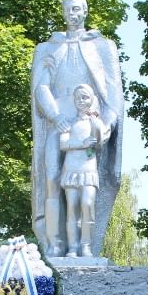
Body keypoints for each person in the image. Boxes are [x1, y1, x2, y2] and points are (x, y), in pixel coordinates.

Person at [31, 0, 123, 257]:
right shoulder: (49, 48)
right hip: (57, 121)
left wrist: (104, 125)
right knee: (51, 180)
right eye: (68, 9)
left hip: (88, 121)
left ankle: (84, 246)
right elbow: (41, 87)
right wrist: (54, 115)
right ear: (63, 13)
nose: (72, 14)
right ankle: (54, 244)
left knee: (86, 194)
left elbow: (112, 95)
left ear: (85, 12)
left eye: (77, 9)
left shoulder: (102, 47)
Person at [58, 84, 107, 257]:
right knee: (72, 208)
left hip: (88, 169)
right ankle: (72, 247)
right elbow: (63, 144)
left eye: (85, 97)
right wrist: (82, 144)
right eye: (78, 97)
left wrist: (97, 128)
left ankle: (86, 246)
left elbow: (100, 142)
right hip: (71, 168)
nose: (81, 101)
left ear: (92, 99)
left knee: (87, 205)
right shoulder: (69, 123)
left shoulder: (97, 122)